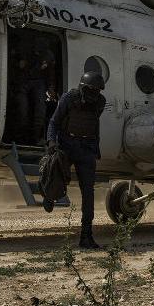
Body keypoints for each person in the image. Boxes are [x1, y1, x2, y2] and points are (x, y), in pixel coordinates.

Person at [43, 71, 107, 249]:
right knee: (54, 176)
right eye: (91, 89)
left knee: (88, 192)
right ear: (83, 88)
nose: (94, 93)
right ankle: (49, 195)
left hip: (86, 148)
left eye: (97, 90)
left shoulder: (100, 102)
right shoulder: (69, 98)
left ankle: (86, 235)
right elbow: (54, 122)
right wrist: (51, 141)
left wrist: (95, 148)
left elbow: (93, 123)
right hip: (67, 144)